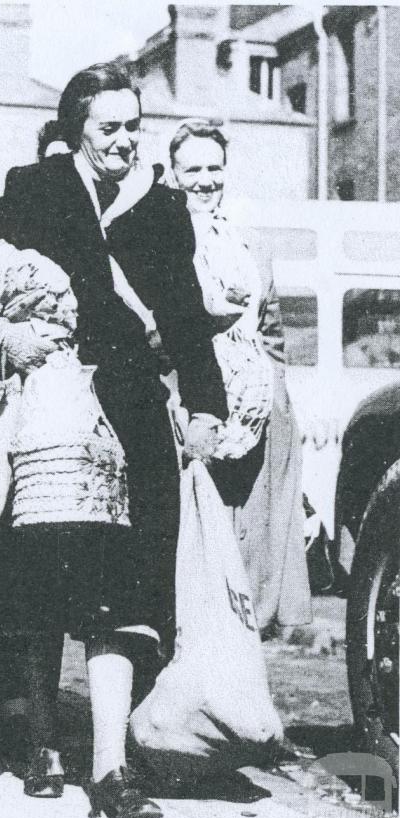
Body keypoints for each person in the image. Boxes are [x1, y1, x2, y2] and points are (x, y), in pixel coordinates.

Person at [0, 63, 228, 818]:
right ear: (76, 131)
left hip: (134, 415)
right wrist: (1, 328)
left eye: (135, 127)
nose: (126, 141)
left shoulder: (163, 208)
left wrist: (205, 407)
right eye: (110, 128)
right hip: (56, 418)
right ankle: (41, 739)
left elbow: (187, 315)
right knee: (46, 584)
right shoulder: (34, 189)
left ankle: (109, 767)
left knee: (127, 591)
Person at [169, 118, 311, 632]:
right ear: (173, 173)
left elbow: (271, 336)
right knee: (192, 554)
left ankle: (236, 691)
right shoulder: (163, 241)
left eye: (215, 168)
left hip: (259, 421)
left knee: (249, 562)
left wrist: (275, 402)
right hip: (193, 415)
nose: (206, 180)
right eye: (193, 170)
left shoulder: (250, 244)